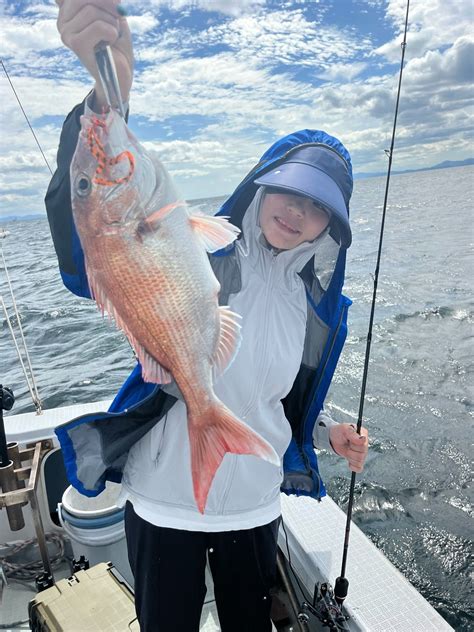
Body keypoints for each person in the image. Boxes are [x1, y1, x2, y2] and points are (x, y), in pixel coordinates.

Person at [47, 2, 369, 630]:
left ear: (332, 226)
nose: (298, 213)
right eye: (290, 192)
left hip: (253, 504)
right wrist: (109, 92)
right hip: (164, 502)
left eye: (318, 206)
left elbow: (275, 388)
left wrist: (326, 429)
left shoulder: (316, 307)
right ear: (262, 185)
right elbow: (87, 248)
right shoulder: (210, 250)